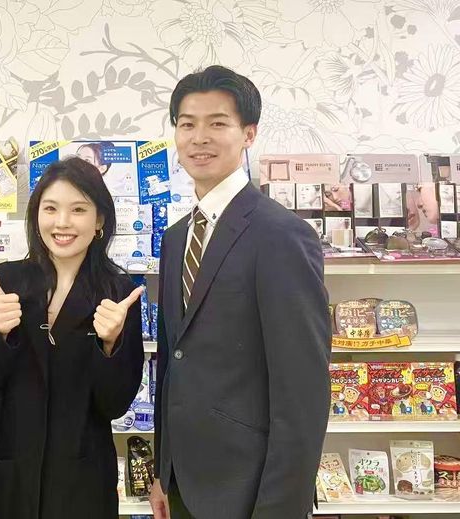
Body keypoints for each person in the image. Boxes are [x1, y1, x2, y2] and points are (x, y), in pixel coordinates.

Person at [149, 66, 331, 519]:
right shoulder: (176, 238)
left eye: (217, 123)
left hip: (249, 491)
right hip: (183, 483)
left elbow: (303, 391)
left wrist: (279, 509)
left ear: (249, 133)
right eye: (187, 124)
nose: (199, 138)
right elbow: (173, 361)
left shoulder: (281, 235)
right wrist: (162, 473)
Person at [0, 157, 146, 519]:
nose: (62, 222)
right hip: (7, 478)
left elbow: (115, 405)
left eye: (78, 209)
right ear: (36, 215)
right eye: (51, 208)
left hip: (81, 483)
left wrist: (110, 345)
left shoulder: (119, 293)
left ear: (99, 221)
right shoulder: (5, 282)